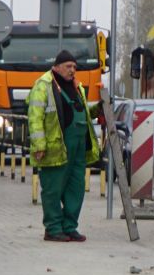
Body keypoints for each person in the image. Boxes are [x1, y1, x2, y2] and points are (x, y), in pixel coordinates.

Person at [27, 49, 103, 243]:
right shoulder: (43, 86)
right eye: (68, 66)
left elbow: (84, 113)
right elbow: (35, 118)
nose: (72, 70)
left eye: (74, 67)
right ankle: (53, 229)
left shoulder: (77, 88)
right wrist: (39, 145)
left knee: (75, 189)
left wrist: (100, 108)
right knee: (53, 189)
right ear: (56, 67)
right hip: (54, 148)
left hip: (77, 149)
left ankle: (70, 227)